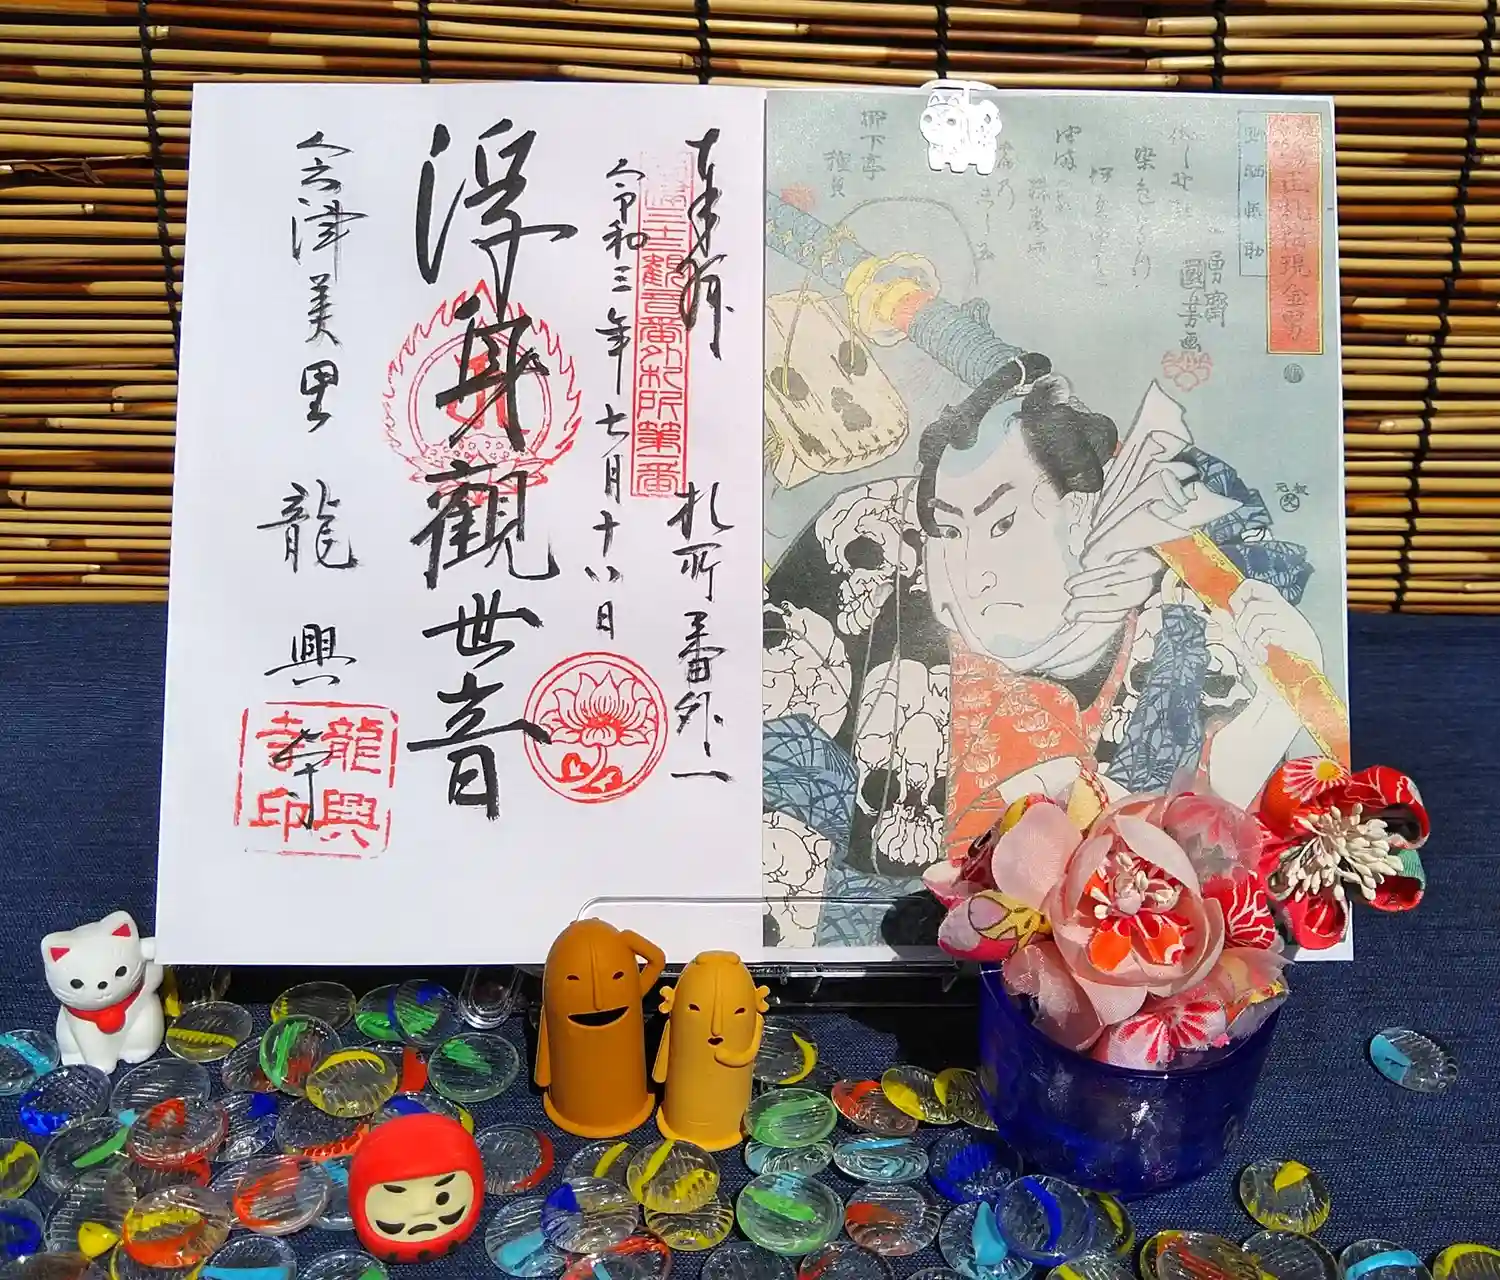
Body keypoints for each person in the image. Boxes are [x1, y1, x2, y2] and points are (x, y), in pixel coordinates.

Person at [917, 372, 1328, 851]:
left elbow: (1235, 850)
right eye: (949, 532)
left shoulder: (1193, 644)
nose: (974, 576)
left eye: (1002, 523)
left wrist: (1276, 712)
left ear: (1082, 509)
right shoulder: (914, 666)